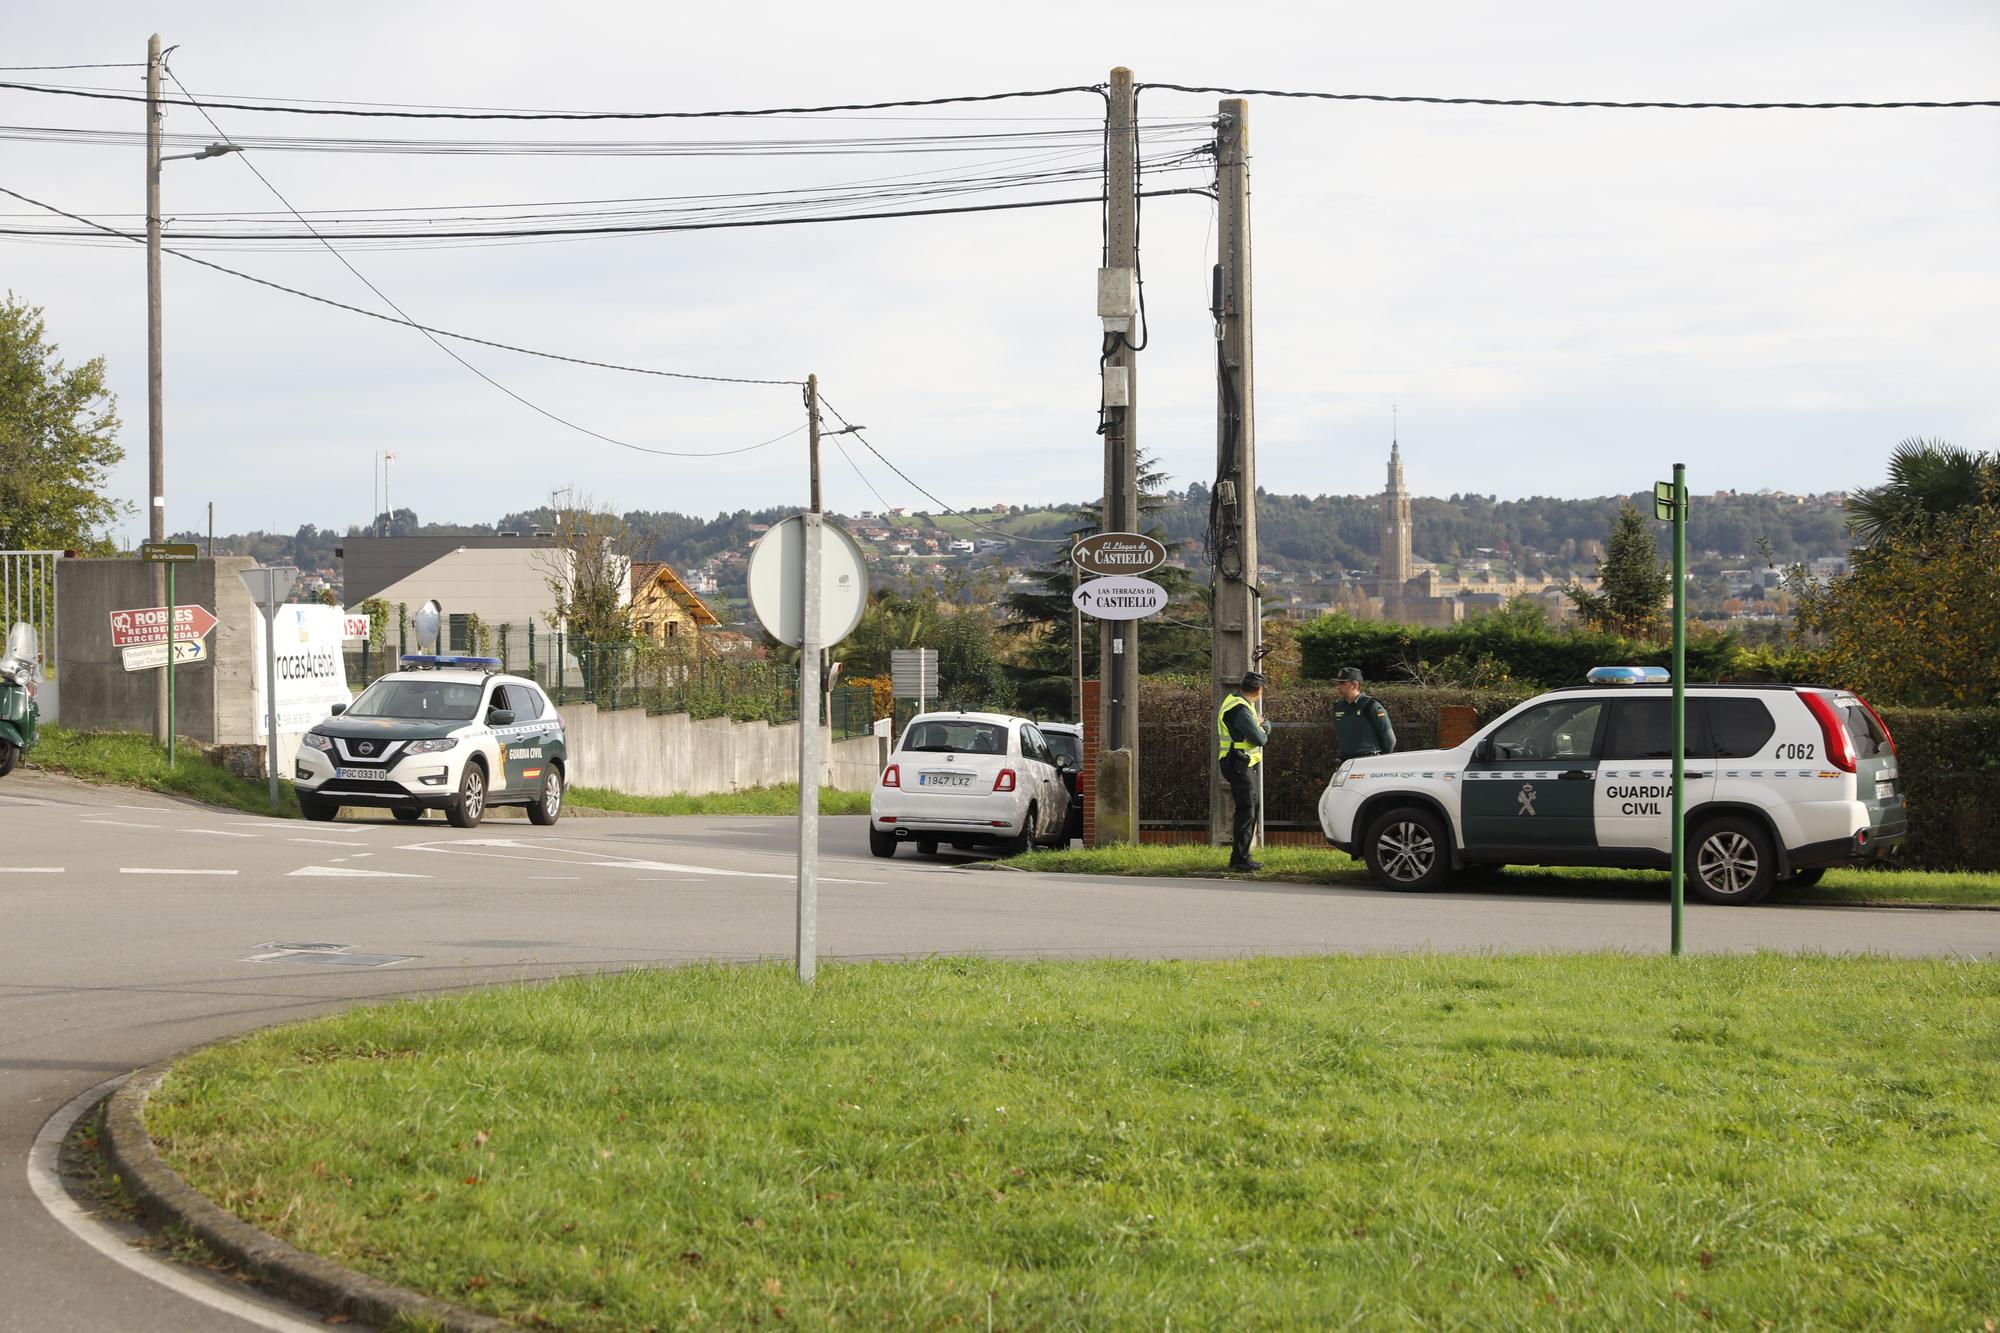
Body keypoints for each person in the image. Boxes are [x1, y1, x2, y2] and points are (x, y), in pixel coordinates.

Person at [1216, 671, 1270, 871]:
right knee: (1247, 810)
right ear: (1259, 690)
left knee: (1248, 808)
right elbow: (1260, 739)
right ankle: (1240, 859)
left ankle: (1240, 856)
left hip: (1237, 763)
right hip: (1238, 763)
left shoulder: (1235, 702)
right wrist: (1267, 726)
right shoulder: (1241, 709)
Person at [1330, 666, 1396, 757]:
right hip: (1346, 761)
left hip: (1368, 760)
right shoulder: (1338, 707)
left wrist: (1382, 758)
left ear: (1355, 685)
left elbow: (1389, 738)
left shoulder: (1371, 705)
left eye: (1342, 683)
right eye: (1338, 683)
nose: (1338, 687)